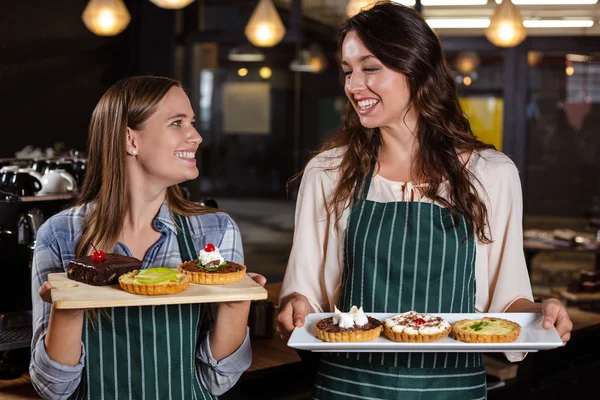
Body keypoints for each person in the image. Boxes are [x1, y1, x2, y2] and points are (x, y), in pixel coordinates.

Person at [276, 2, 573, 399]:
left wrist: (544, 313)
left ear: (417, 68)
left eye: (370, 68)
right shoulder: (328, 172)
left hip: (453, 387)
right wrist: (295, 304)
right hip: (351, 386)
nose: (352, 85)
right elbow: (306, 294)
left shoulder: (491, 174)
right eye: (347, 71)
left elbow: (506, 303)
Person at [29, 75, 266, 399]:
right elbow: (53, 389)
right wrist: (68, 305)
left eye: (192, 123)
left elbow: (217, 381)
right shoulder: (60, 235)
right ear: (130, 140)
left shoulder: (214, 231)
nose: (195, 136)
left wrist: (236, 303)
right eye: (177, 123)